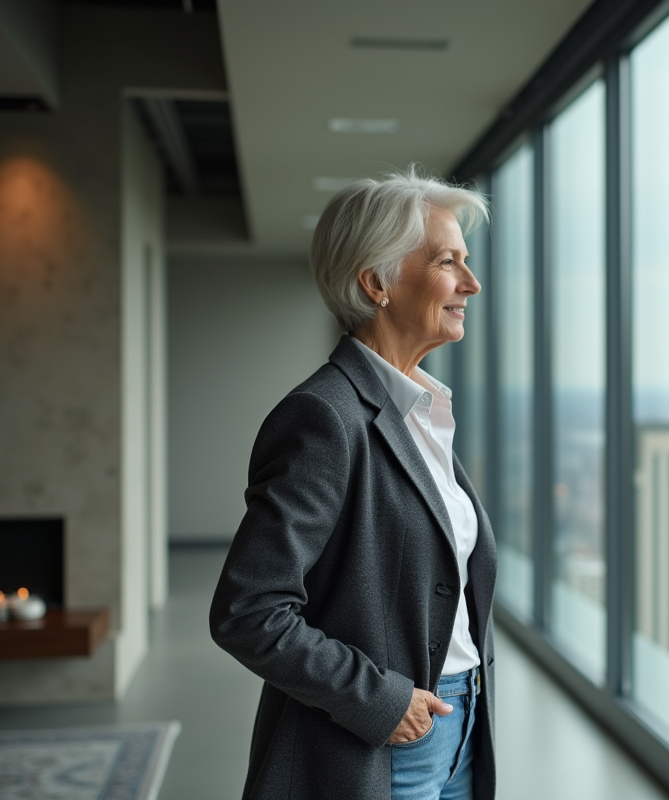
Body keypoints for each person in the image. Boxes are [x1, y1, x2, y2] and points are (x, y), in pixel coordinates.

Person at [209, 169, 496, 800]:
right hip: (383, 742)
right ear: (377, 282)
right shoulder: (323, 417)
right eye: (449, 262)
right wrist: (383, 701)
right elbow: (248, 610)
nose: (471, 284)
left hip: (464, 725)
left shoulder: (424, 411)